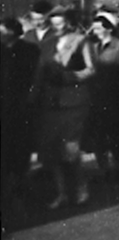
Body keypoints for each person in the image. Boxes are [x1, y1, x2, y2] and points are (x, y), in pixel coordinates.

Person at [36, 17, 94, 208]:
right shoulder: (47, 44)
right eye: (53, 23)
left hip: (73, 102)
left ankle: (80, 188)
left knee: (71, 149)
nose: (56, 27)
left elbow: (91, 69)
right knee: (52, 150)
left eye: (60, 22)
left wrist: (69, 76)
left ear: (70, 23)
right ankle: (61, 193)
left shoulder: (80, 40)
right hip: (50, 103)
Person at [83, 12, 119, 181]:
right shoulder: (92, 47)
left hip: (114, 100)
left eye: (99, 28)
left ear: (109, 28)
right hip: (95, 100)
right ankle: (104, 169)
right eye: (94, 27)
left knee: (115, 137)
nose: (95, 30)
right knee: (97, 137)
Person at [1, 18, 41, 225]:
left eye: (3, 30)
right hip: (4, 109)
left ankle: (19, 195)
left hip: (20, 109)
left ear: (12, 31)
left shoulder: (29, 50)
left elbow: (34, 78)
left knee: (18, 153)